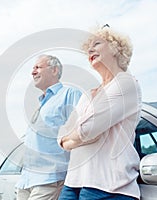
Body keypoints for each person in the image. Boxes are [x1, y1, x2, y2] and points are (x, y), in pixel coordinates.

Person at [58, 25, 142, 200]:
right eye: (88, 47)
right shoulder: (89, 94)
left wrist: (75, 137)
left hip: (109, 187)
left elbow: (86, 129)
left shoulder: (126, 83)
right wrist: (78, 136)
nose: (90, 49)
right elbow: (62, 135)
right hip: (72, 183)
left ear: (115, 48)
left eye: (96, 43)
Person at [15, 54, 82, 200]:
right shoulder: (41, 103)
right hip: (26, 180)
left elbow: (82, 131)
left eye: (38, 67)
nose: (33, 72)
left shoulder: (69, 94)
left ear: (54, 70)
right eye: (33, 68)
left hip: (49, 179)